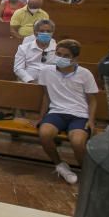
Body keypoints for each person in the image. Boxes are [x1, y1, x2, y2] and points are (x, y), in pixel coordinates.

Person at [36, 40, 98, 185]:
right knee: (44, 134)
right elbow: (46, 95)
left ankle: (87, 172)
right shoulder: (46, 71)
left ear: (75, 58)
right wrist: (41, 116)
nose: (61, 57)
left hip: (79, 114)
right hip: (57, 112)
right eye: (58, 54)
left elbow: (93, 100)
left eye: (66, 55)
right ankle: (60, 165)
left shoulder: (85, 74)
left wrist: (92, 120)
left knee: (77, 142)